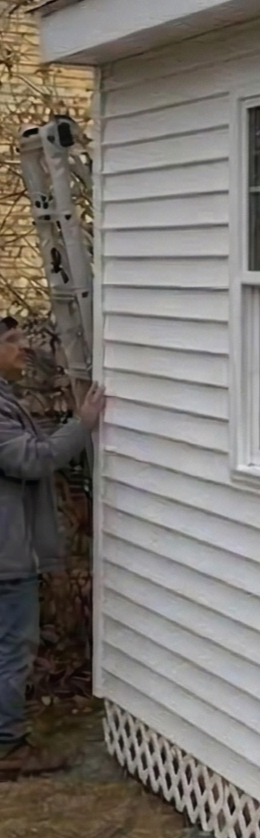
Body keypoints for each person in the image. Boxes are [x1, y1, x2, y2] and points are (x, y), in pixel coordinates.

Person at [0, 317, 104, 779]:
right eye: (11, 341)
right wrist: (82, 425)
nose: (24, 348)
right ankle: (8, 748)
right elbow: (32, 459)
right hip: (5, 557)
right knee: (13, 648)